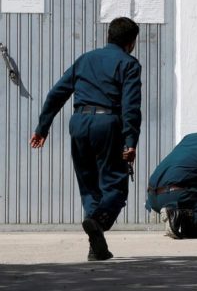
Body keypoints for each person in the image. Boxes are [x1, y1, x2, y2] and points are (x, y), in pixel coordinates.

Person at [30, 17, 142, 259]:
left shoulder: (85, 59)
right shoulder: (129, 64)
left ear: (108, 36)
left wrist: (42, 128)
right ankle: (97, 221)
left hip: (79, 122)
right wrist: (130, 141)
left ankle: (96, 247)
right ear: (132, 42)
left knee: (89, 183)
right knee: (115, 185)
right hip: (108, 123)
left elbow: (57, 93)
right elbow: (130, 107)